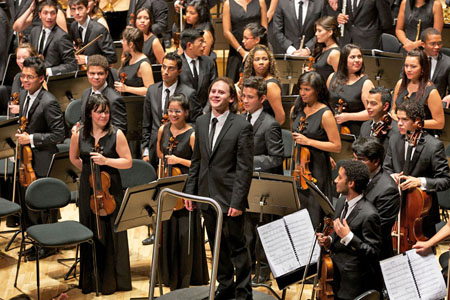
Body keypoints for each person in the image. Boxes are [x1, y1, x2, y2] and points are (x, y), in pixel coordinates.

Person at [184, 77, 254, 300]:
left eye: (221, 92)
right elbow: (197, 161)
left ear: (231, 98)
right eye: (213, 91)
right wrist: (190, 192)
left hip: (229, 197)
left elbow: (245, 168)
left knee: (237, 247)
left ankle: (243, 292)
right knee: (216, 245)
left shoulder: (242, 125)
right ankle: (225, 286)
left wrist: (237, 201)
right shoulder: (202, 122)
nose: (215, 95)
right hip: (206, 196)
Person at [69, 94, 132, 295]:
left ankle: (115, 281)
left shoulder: (117, 134)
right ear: (90, 114)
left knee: (112, 232)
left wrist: (106, 162)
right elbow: (74, 158)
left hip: (110, 188)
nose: (103, 116)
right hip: (90, 189)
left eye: (106, 112)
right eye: (99, 112)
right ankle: (91, 280)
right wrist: (89, 173)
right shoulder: (79, 135)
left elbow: (128, 162)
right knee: (91, 230)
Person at [9, 56, 65, 259]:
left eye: (29, 77)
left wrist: (31, 138)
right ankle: (35, 240)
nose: (24, 80)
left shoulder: (49, 102)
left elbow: (58, 134)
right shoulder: (23, 95)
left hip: (43, 160)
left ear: (41, 78)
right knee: (29, 204)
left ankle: (49, 245)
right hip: (27, 160)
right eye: (23, 76)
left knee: (43, 205)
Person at [156, 94, 209, 290]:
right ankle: (168, 275)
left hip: (186, 186)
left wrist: (178, 161)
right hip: (167, 185)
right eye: (170, 111)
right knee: (167, 230)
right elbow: (160, 154)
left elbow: (201, 163)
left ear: (186, 112)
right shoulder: (163, 129)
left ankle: (189, 276)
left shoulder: (193, 134)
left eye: (178, 111)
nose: (173, 114)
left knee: (184, 232)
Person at [384, 100, 450, 239]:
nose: (399, 123)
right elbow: (386, 168)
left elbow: (445, 180)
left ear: (417, 122)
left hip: (422, 214)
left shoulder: (433, 146)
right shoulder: (394, 139)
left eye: (404, 119)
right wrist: (391, 176)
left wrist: (420, 182)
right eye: (398, 119)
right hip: (395, 208)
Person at [317, 160, 383, 299]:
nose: (335, 180)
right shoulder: (341, 202)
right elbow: (337, 234)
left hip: (351, 284)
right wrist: (329, 240)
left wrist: (349, 237)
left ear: (351, 183)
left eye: (340, 177)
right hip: (332, 273)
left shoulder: (369, 214)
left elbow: (373, 253)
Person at [241, 76, 284, 283]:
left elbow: (276, 157)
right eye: (243, 96)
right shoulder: (242, 119)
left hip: (264, 184)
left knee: (263, 228)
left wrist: (247, 161)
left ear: (262, 98)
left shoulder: (270, 124)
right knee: (247, 229)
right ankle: (247, 269)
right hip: (245, 183)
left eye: (250, 97)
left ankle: (264, 271)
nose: (245, 100)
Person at [291, 71, 341, 228]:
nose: (302, 93)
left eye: (307, 89)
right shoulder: (297, 109)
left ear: (317, 90)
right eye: (301, 89)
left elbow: (336, 146)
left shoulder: (325, 114)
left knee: (314, 215)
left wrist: (309, 141)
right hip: (299, 167)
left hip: (317, 170)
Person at [142, 52, 200, 169]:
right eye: (163, 67)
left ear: (179, 71)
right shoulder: (152, 90)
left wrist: (178, 128)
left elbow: (196, 122)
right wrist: (145, 150)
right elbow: (146, 123)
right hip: (155, 149)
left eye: (171, 68)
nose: (165, 71)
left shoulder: (189, 93)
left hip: (180, 149)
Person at [352, 137, 400, 259]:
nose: (355, 163)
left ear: (376, 161)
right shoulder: (356, 176)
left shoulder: (388, 190)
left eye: (361, 160)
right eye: (354, 158)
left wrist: (346, 234)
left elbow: (377, 230)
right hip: (353, 247)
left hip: (372, 255)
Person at [391, 48, 444, 132]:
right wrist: (400, 121)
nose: (408, 70)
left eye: (413, 66)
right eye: (406, 65)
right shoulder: (400, 83)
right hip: (399, 132)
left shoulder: (431, 92)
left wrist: (413, 124)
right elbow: (393, 110)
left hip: (420, 135)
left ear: (423, 69)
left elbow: (439, 123)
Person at [327, 44, 374, 136]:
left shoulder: (366, 83)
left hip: (356, 132)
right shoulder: (332, 77)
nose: (357, 60)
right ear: (344, 60)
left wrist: (348, 116)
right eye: (352, 57)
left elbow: (372, 112)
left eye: (359, 57)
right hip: (332, 129)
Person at [80, 55, 127, 134]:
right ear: (87, 73)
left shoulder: (115, 99)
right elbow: (84, 120)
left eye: (100, 73)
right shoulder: (85, 94)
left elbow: (120, 131)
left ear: (106, 74)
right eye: (92, 73)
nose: (96, 77)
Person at [222, 0, 267, 83]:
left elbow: (264, 28)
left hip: (257, 52)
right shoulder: (228, 4)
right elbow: (226, 32)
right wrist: (242, 52)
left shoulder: (261, 2)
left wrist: (256, 51)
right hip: (236, 52)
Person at [28, 0, 77, 75]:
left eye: (52, 13)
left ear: (56, 15)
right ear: (39, 14)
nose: (49, 17)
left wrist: (49, 71)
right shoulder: (34, 31)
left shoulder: (62, 36)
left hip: (52, 80)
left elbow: (72, 65)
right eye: (45, 13)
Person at [242, 45, 285, 125]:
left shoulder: (270, 85)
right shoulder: (250, 81)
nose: (261, 62)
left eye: (265, 59)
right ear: (252, 62)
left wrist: (269, 132)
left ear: (269, 62)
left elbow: (280, 117)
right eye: (257, 59)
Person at [69, 0, 117, 67]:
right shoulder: (73, 26)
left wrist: (87, 59)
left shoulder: (99, 29)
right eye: (73, 9)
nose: (77, 12)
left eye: (80, 8)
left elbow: (112, 57)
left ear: (88, 9)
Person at [179, 28, 217, 110]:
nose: (204, 45)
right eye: (201, 42)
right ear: (189, 45)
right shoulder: (177, 63)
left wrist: (205, 112)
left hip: (205, 113)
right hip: (184, 114)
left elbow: (214, 89)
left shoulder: (209, 62)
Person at [114, 27, 154, 96]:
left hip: (136, 103)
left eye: (123, 40)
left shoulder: (144, 64)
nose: (122, 42)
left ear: (131, 44)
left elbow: (150, 89)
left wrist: (127, 88)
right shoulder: (128, 58)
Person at [0, 43, 37, 115]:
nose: (21, 61)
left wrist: (21, 109)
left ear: (33, 57)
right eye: (18, 58)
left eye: (25, 57)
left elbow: (42, 106)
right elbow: (13, 104)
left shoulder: (39, 78)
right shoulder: (18, 77)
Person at [360, 87, 398, 151]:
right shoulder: (365, 126)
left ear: (385, 106)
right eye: (367, 102)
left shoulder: (396, 130)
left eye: (373, 103)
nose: (368, 107)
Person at [420, 28, 450, 106]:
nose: (437, 47)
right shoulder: (414, 59)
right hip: (414, 104)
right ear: (423, 44)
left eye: (439, 43)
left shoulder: (447, 63)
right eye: (433, 44)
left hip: (436, 106)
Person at [310, 16, 340, 82]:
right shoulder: (323, 48)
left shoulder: (334, 53)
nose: (316, 34)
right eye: (316, 30)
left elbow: (340, 79)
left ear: (330, 32)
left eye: (319, 31)